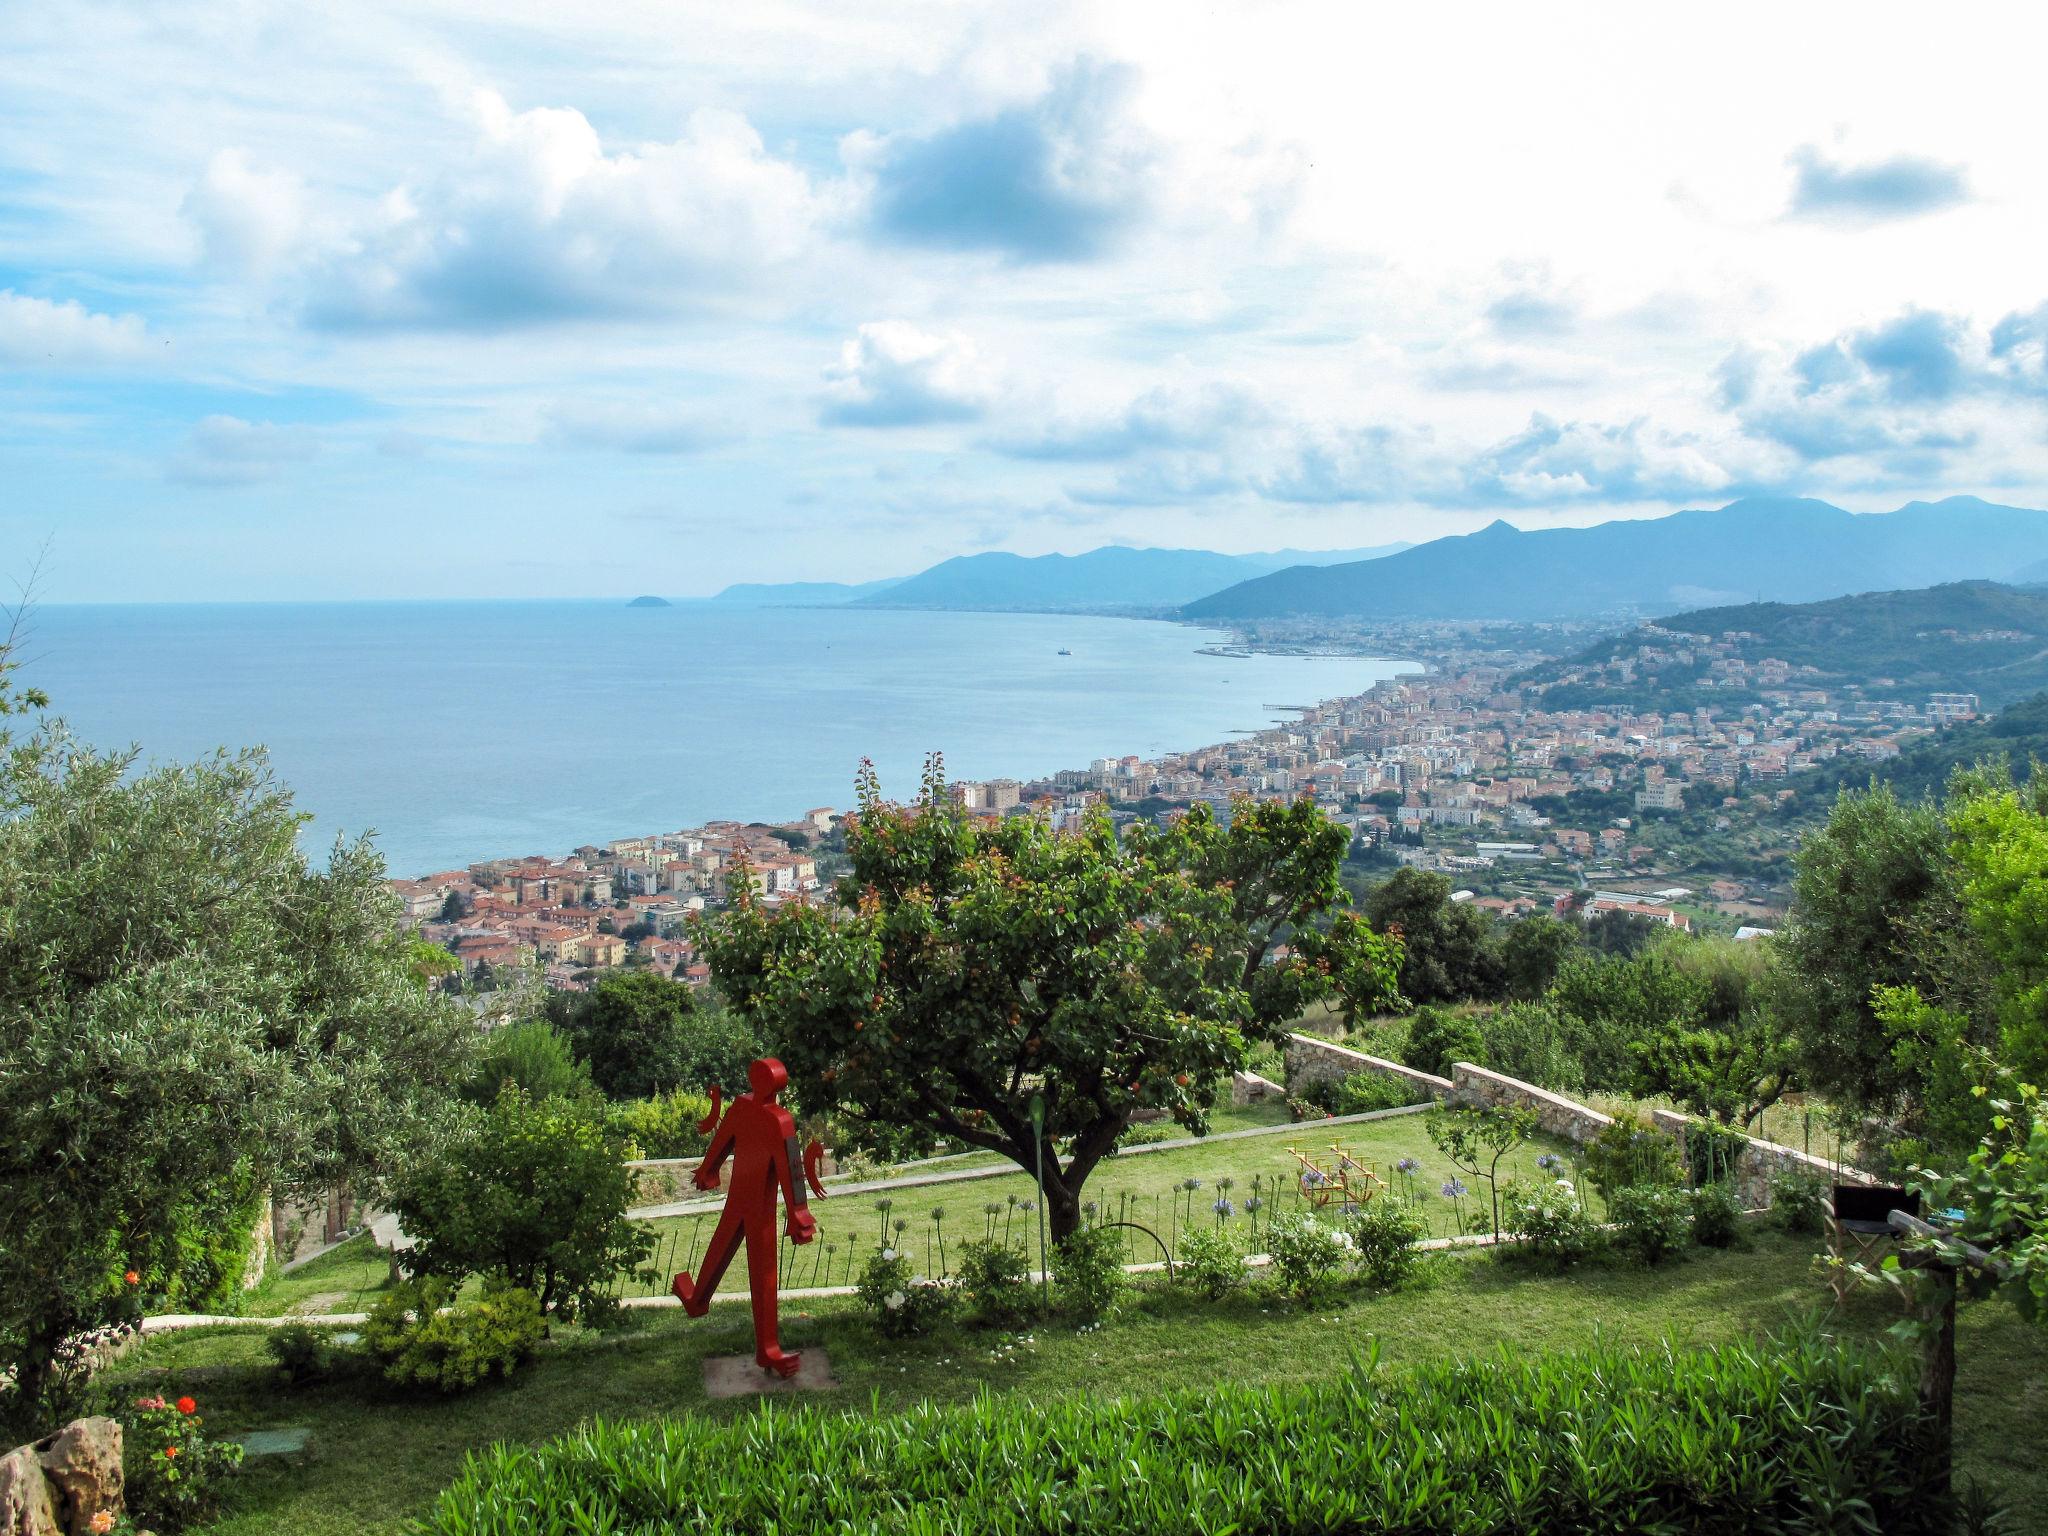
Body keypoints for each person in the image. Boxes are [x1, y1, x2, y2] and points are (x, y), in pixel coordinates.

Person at [671, 1057, 822, 1377]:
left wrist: (708, 1170)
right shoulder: (773, 1119)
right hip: (747, 1203)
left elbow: (786, 1168)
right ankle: (700, 1303)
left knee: (749, 1264)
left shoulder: (750, 1110)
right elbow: (789, 1169)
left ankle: (762, 1344)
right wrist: (797, 1212)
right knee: (748, 1264)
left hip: (751, 1203)